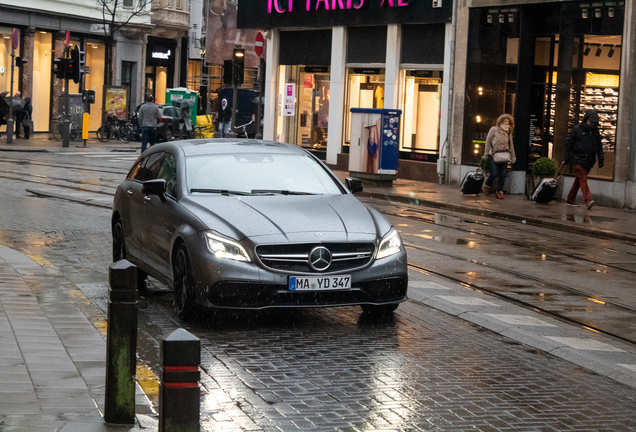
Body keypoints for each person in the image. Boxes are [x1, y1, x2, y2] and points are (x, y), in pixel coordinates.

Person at [564, 109, 604, 210]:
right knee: (583, 179)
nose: (592, 124)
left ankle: (570, 199)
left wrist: (601, 158)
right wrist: (567, 157)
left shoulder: (595, 132)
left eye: (594, 122)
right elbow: (568, 143)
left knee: (579, 180)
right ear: (586, 120)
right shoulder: (577, 129)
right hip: (578, 159)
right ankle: (588, 201)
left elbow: (599, 146)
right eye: (591, 122)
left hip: (589, 160)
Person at [483, 113, 516, 199]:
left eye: (508, 122)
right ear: (501, 121)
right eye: (505, 121)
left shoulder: (509, 132)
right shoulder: (494, 129)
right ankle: (487, 185)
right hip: (493, 155)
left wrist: (513, 157)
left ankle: (499, 191)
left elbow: (511, 145)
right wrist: (486, 153)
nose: (506, 123)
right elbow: (488, 141)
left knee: (503, 174)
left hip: (504, 155)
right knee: (494, 173)